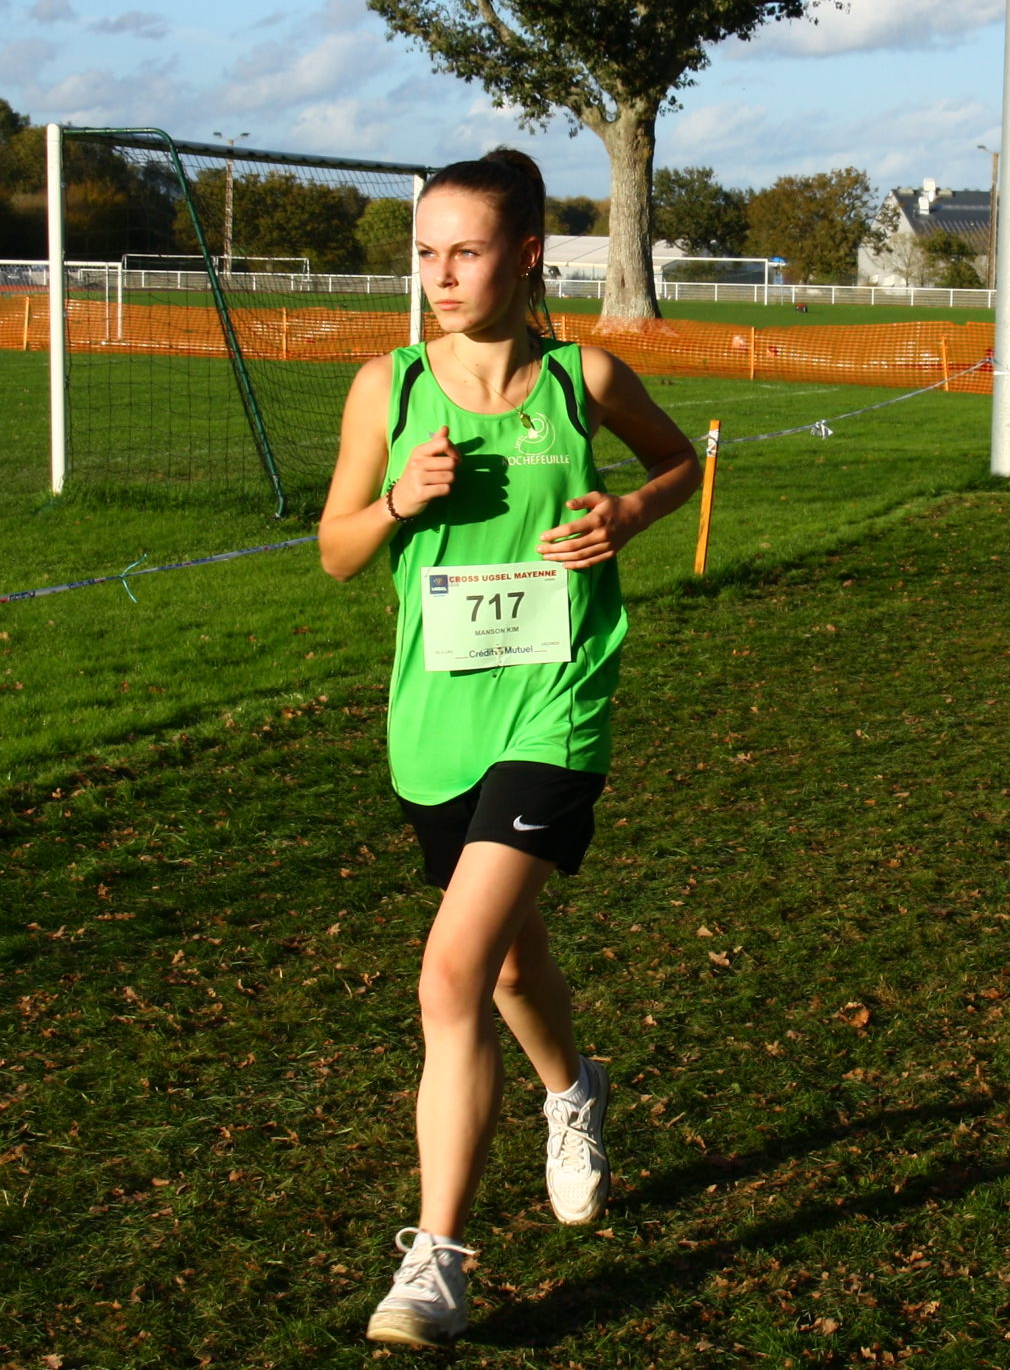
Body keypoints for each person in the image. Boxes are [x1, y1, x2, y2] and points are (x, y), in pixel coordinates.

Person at [317, 149, 702, 1347]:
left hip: (556, 705)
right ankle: (572, 1091)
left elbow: (681, 463)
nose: (439, 274)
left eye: (466, 251)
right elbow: (334, 552)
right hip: (437, 723)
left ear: (527, 257)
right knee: (505, 971)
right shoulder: (387, 389)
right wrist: (398, 502)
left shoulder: (584, 379)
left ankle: (434, 1264)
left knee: (448, 974)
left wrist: (629, 512)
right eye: (425, 252)